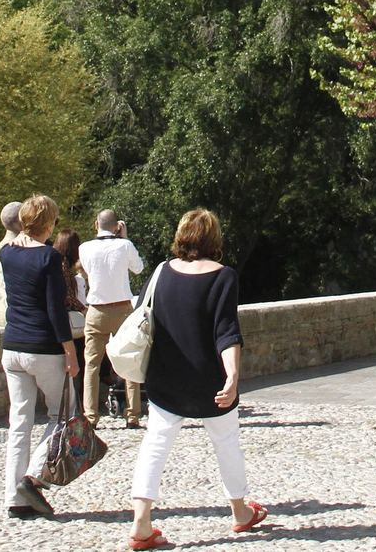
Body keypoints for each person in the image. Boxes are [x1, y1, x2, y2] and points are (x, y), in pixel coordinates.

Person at [128, 209, 267, 550]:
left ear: (181, 236)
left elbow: (141, 315)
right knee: (227, 443)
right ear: (213, 239)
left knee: (155, 445)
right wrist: (232, 375)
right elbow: (226, 332)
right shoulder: (224, 277)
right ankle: (240, 512)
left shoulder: (161, 273)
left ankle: (141, 523)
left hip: (164, 379)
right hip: (209, 382)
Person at [0, 194, 79, 520]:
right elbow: (55, 310)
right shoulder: (49, 258)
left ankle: (14, 499)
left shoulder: (6, 253)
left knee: (19, 423)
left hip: (12, 346)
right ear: (48, 224)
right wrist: (70, 353)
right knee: (64, 415)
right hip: (42, 347)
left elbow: (15, 245)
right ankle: (32, 479)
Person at [78, 208, 144, 429]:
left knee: (92, 364)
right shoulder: (124, 245)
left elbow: (89, 272)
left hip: (96, 309)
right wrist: (124, 238)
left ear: (96, 225)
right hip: (122, 308)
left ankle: (90, 416)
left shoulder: (84, 248)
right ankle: (133, 414)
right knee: (129, 359)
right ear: (117, 226)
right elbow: (138, 268)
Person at [52, 228, 88, 409]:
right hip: (68, 322)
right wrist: (83, 310)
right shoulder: (63, 267)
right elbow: (68, 297)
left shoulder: (54, 262)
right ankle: (77, 404)